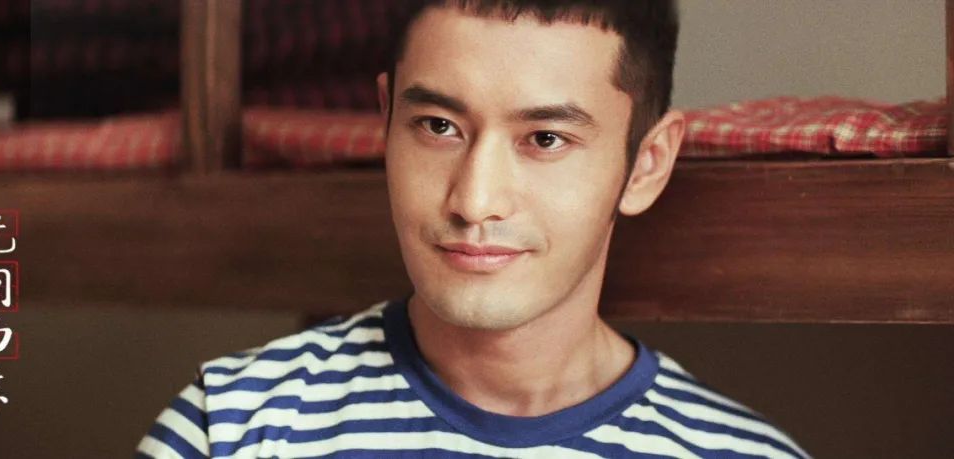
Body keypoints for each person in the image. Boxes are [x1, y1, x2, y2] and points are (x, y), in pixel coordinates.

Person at [136, 1, 810, 457]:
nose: (474, 200)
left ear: (646, 164)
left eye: (545, 138)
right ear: (386, 119)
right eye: (438, 126)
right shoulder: (231, 426)